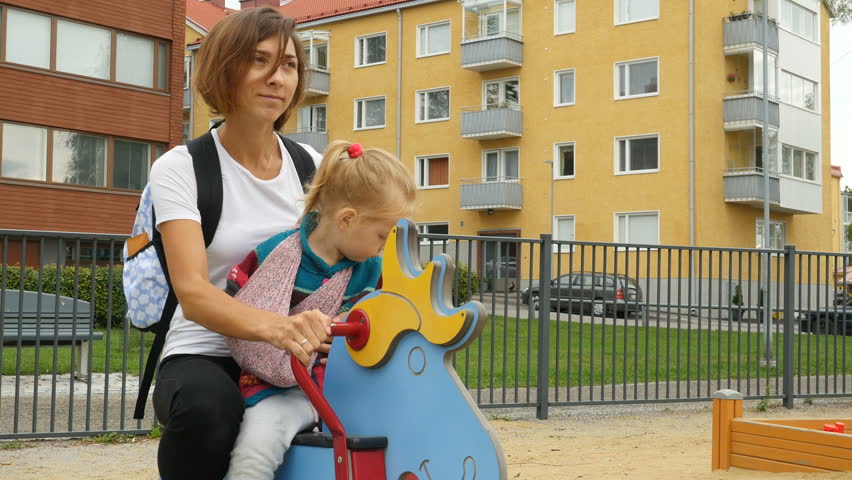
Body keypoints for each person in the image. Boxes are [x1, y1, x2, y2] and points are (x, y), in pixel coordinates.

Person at [148, 7, 329, 480]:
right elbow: (193, 292)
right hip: (204, 350)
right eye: (259, 61)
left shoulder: (311, 165)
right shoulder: (181, 167)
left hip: (294, 357)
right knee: (209, 412)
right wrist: (276, 327)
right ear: (224, 68)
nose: (277, 78)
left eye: (288, 65)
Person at [223, 140, 417, 479]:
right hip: (282, 388)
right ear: (346, 219)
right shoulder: (277, 254)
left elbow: (390, 318)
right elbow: (242, 304)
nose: (382, 248)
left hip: (350, 390)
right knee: (256, 451)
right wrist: (284, 326)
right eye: (381, 236)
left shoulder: (373, 271)